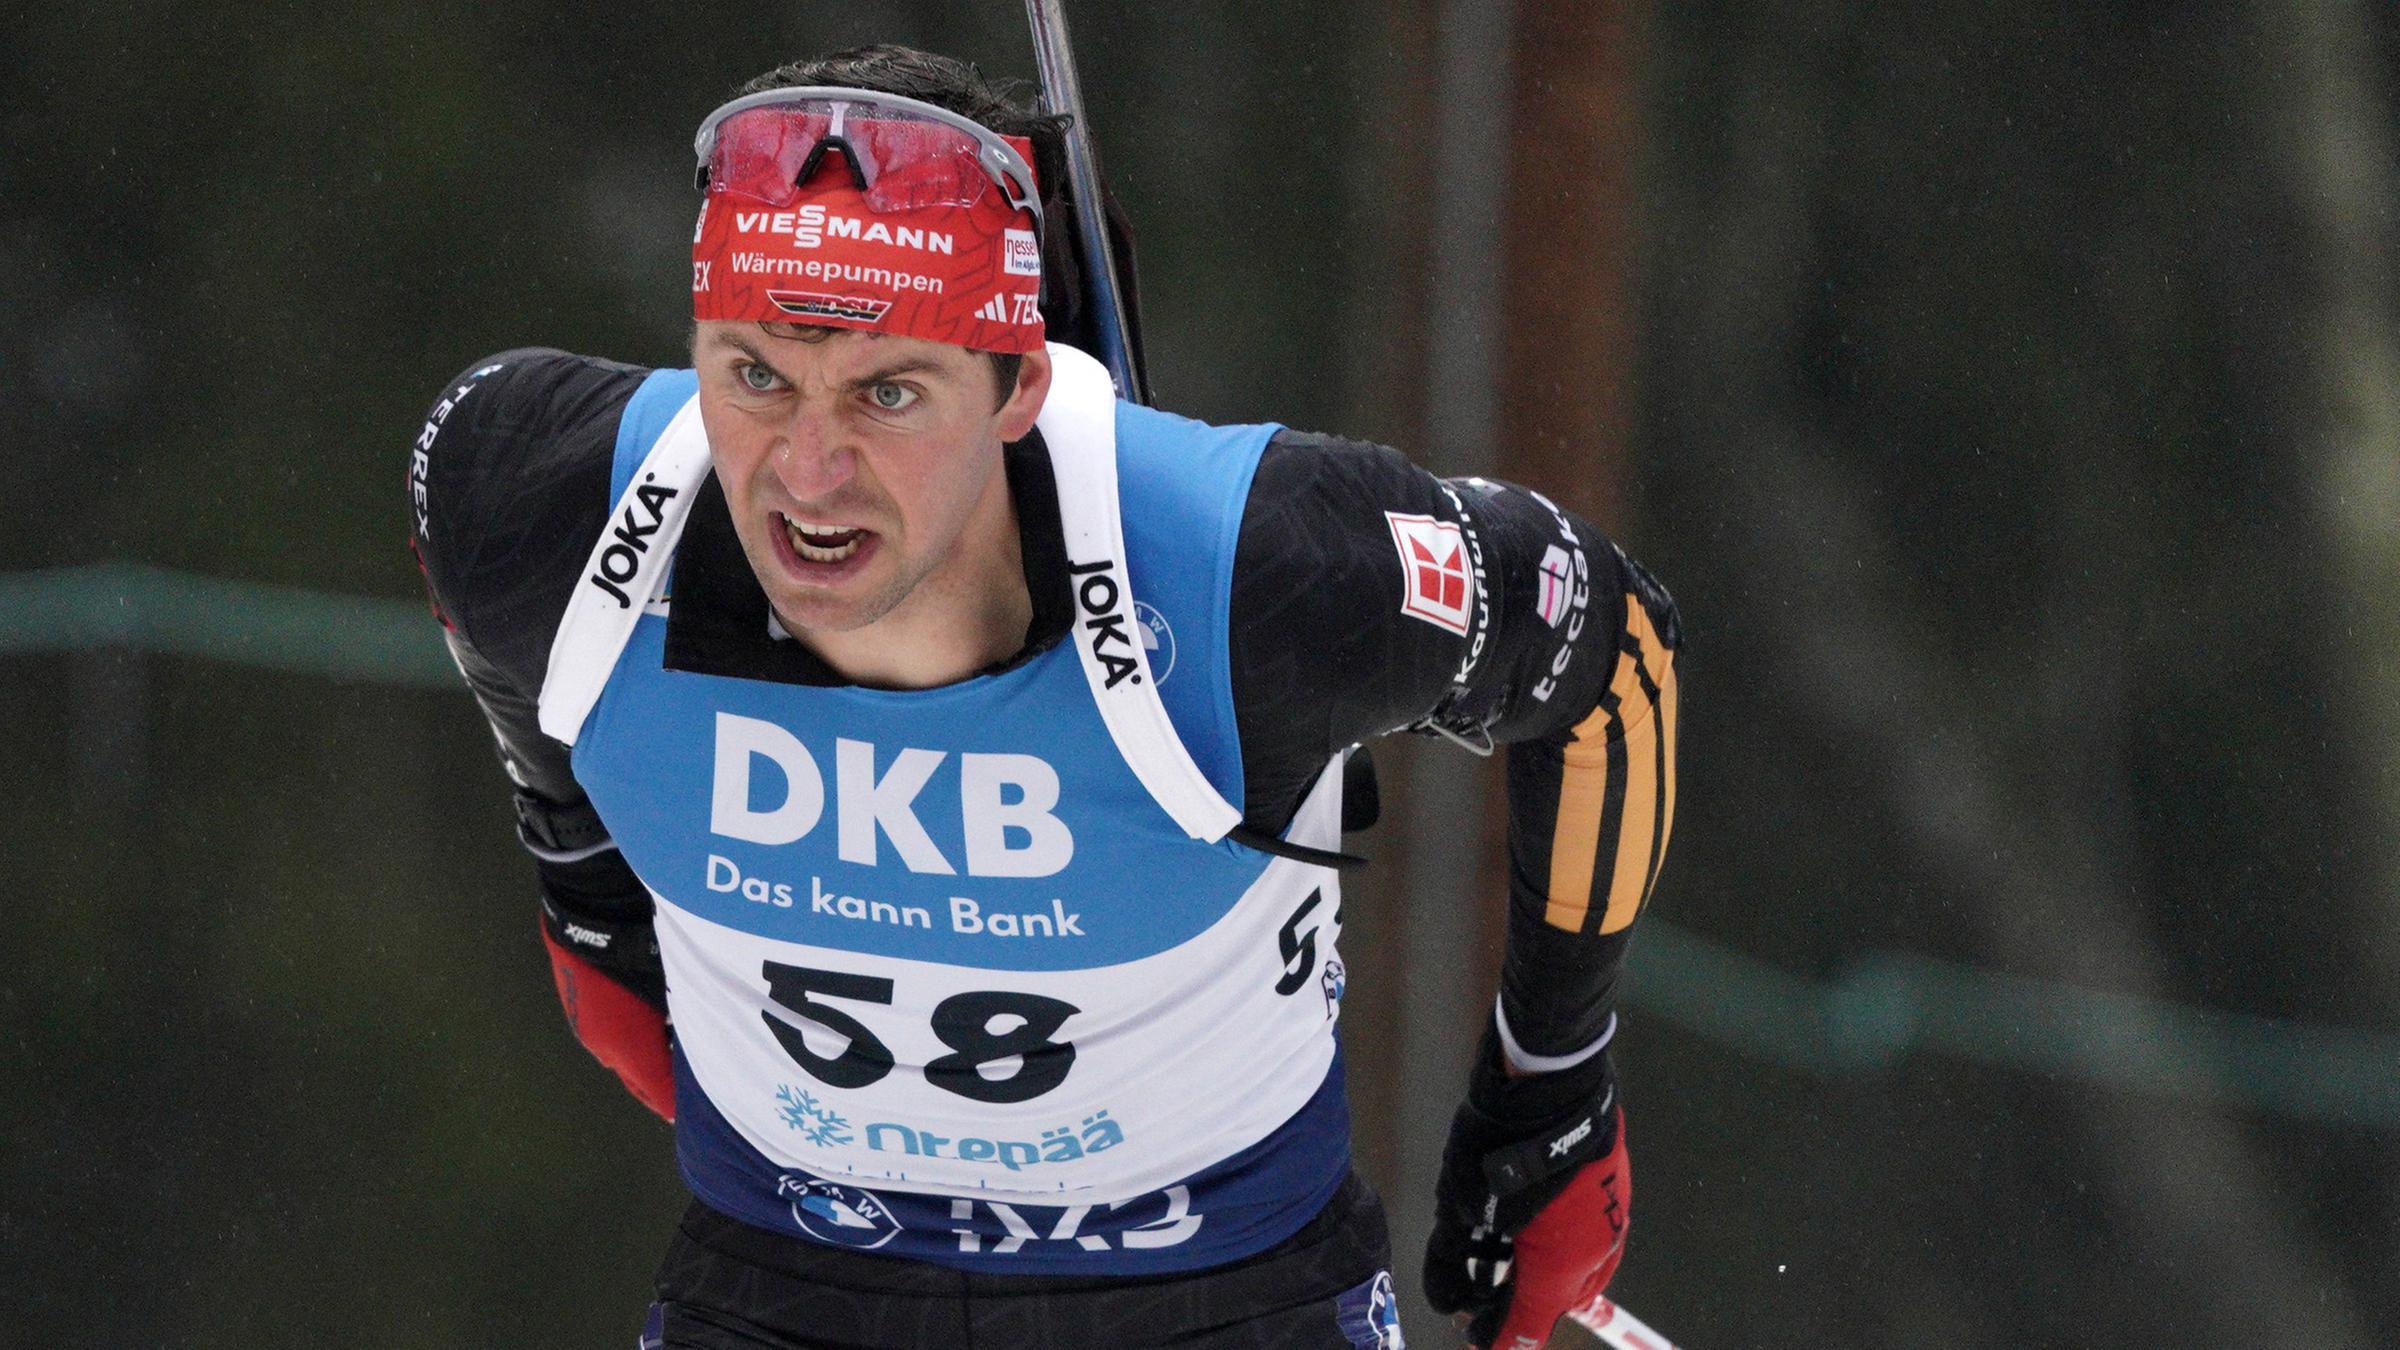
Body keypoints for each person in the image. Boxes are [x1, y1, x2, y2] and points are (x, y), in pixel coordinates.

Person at [410, 43, 1678, 1350]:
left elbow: (1609, 642)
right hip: (791, 1277)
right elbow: (487, 611)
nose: (807, 471)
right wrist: (584, 887)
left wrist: (1554, 1079)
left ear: (1020, 381)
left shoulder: (1240, 565)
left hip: (1220, 1294)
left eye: (887, 389)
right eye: (755, 375)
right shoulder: (546, 506)